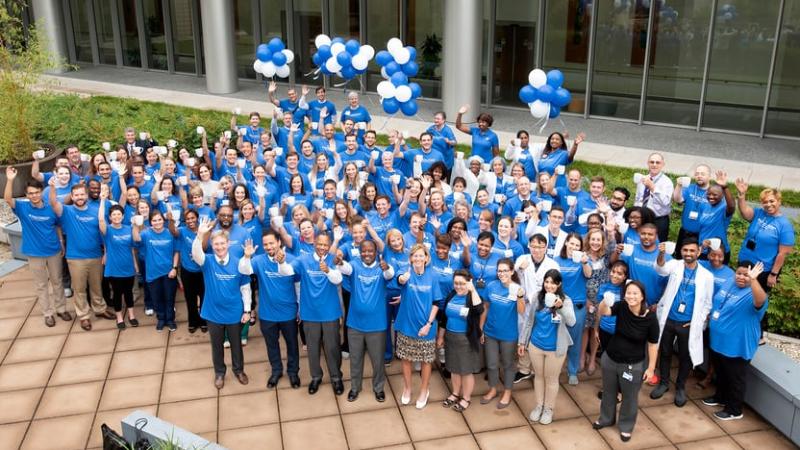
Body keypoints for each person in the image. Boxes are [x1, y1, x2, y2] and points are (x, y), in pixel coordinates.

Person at [593, 280, 659, 443]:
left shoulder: (650, 318)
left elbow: (652, 344)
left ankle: (626, 426)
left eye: (635, 293)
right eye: (628, 292)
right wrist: (604, 301)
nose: (631, 296)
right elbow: (604, 312)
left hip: (633, 365)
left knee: (629, 398)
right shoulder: (622, 306)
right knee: (608, 392)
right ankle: (606, 418)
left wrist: (650, 368)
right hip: (610, 359)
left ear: (642, 296)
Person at [650, 237, 713, 407]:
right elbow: (660, 268)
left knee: (685, 357)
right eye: (685, 250)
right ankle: (663, 383)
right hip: (669, 319)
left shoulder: (707, 276)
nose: (688, 254)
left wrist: (697, 323)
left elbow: (707, 303)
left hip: (687, 323)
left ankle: (680, 387)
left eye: (692, 251)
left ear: (699, 252)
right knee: (665, 352)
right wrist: (661, 253)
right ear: (681, 251)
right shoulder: (675, 265)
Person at [4, 167, 70, 327]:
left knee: (57, 281)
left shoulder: (51, 208)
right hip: (34, 253)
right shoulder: (23, 208)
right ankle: (48, 313)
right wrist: (10, 180)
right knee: (41, 285)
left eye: (36, 192)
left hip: (53, 250)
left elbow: (57, 227)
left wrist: (61, 243)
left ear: (41, 192)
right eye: (30, 193)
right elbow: (8, 199)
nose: (34, 195)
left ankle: (61, 309)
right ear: (26, 195)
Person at [281, 233, 345, 395]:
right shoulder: (303, 260)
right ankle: (316, 377)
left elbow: (338, 279)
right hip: (310, 313)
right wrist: (281, 262)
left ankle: (336, 377)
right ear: (314, 243)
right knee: (313, 348)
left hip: (330, 312)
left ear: (329, 245)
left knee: (332, 348)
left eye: (325, 245)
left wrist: (328, 270)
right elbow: (287, 271)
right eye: (320, 244)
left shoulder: (333, 259)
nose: (322, 247)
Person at [192, 218, 252, 389]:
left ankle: (239, 370)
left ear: (228, 244)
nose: (219, 247)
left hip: (234, 312)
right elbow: (196, 254)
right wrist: (200, 235)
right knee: (216, 345)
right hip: (212, 312)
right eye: (216, 244)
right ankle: (219, 373)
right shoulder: (208, 261)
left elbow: (246, 289)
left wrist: (247, 310)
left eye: (222, 244)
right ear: (212, 245)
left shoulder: (239, 263)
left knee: (236, 344)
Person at [705, 261, 768, 421]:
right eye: (738, 273)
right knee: (721, 372)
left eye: (745, 274)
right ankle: (720, 397)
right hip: (719, 341)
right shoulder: (729, 283)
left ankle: (734, 410)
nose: (741, 277)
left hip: (737, 345)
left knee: (735, 378)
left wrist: (753, 280)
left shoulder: (754, 293)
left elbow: (761, 300)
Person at [49, 180, 114, 331]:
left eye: (82, 194)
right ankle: (84, 316)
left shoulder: (95, 209)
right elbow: (53, 203)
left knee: (97, 286)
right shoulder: (67, 211)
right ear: (72, 196)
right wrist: (52, 187)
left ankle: (99, 309)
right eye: (76, 195)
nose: (79, 197)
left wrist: (106, 252)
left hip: (96, 255)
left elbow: (103, 231)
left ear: (86, 195)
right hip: (75, 258)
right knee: (79, 289)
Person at [239, 231, 301, 389]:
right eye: (265, 244)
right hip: (267, 314)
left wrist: (300, 308)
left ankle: (293, 372)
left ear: (279, 242)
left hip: (289, 313)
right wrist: (247, 256)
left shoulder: (293, 259)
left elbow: (298, 286)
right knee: (271, 345)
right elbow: (244, 271)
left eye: (271, 243)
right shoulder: (259, 260)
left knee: (292, 344)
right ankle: (276, 371)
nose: (268, 247)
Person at [336, 240, 394, 402]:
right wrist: (339, 262)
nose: (367, 254)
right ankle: (355, 388)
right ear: (359, 252)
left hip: (377, 325)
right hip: (355, 324)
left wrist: (387, 268)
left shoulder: (383, 267)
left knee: (377, 360)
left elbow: (390, 274)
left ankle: (378, 388)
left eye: (370, 251)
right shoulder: (354, 265)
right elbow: (344, 267)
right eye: (364, 251)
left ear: (376, 252)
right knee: (355, 359)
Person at [518, 269, 576, 425]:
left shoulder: (566, 300)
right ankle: (539, 405)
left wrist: (561, 307)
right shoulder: (538, 296)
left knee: (551, 379)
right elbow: (529, 321)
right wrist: (522, 341)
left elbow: (572, 322)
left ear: (559, 284)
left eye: (552, 282)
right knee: (538, 376)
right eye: (546, 281)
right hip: (536, 344)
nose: (549, 285)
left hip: (555, 349)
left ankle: (548, 408)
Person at [395, 244, 443, 409]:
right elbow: (399, 279)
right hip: (406, 325)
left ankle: (424, 390)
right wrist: (402, 279)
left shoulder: (433, 276)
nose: (418, 259)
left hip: (425, 327)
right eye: (414, 256)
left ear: (426, 258)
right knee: (406, 359)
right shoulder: (406, 274)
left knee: (426, 360)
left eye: (421, 256)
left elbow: (437, 302)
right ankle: (407, 389)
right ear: (410, 258)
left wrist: (428, 324)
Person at [513, 233, 559, 384]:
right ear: (529, 246)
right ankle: (523, 369)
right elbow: (514, 280)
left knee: (539, 335)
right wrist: (520, 269)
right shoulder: (522, 260)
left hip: (544, 306)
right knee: (523, 333)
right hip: (525, 304)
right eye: (533, 246)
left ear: (546, 248)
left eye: (540, 246)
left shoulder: (552, 264)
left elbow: (556, 286)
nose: (536, 250)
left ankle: (538, 371)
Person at [734, 180, 795, 292]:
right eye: (765, 202)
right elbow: (744, 212)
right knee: (740, 293)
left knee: (755, 297)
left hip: (762, 270)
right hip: (744, 263)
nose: (768, 204)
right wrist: (742, 195)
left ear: (779, 201)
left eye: (772, 201)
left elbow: (782, 254)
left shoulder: (785, 225)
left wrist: (773, 274)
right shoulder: (759, 213)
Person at [481, 258, 525, 408]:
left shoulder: (516, 288)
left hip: (509, 335)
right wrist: (481, 328)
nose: (502, 273)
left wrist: (520, 297)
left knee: (508, 365)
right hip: (490, 332)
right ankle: (493, 389)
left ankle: (507, 391)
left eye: (505, 270)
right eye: (499, 270)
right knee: (492, 364)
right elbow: (486, 307)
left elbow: (521, 311)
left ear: (512, 271)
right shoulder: (492, 286)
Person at [438, 269, 484, 412]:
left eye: (462, 284)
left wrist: (473, 289)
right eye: (456, 283)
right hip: (450, 337)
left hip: (466, 339)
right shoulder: (452, 295)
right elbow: (444, 319)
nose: (458, 286)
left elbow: (479, 310)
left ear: (469, 283)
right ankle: (455, 393)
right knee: (453, 368)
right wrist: (440, 336)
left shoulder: (472, 297)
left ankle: (466, 398)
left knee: (465, 370)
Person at [132, 210, 179, 332]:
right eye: (154, 220)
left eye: (159, 220)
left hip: (169, 272)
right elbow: (136, 238)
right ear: (150, 222)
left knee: (169, 298)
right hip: (152, 273)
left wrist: (174, 268)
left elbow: (176, 252)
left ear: (163, 220)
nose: (157, 222)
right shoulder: (146, 234)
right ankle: (161, 319)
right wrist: (136, 225)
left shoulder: (170, 233)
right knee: (156, 299)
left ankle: (170, 320)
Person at [554, 232, 592, 385]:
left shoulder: (583, 262)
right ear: (566, 243)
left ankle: (572, 371)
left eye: (577, 245)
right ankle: (554, 370)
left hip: (577, 306)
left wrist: (584, 262)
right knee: (556, 339)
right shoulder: (556, 261)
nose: (574, 247)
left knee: (575, 341)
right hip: (558, 306)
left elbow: (588, 275)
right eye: (572, 243)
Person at [97, 190, 138, 328]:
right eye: (113, 214)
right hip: (114, 268)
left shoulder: (129, 229)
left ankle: (131, 315)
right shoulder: (107, 230)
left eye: (119, 214)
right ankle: (119, 317)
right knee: (117, 293)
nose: (116, 216)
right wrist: (103, 200)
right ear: (110, 217)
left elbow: (132, 248)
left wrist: (135, 265)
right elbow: (100, 220)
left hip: (128, 267)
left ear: (123, 216)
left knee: (128, 292)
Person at [634, 153, 673, 242]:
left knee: (658, 246)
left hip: (658, 220)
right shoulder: (643, 179)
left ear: (663, 164)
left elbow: (666, 202)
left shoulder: (667, 182)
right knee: (641, 242)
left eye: (657, 162)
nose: (654, 165)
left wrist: (653, 187)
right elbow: (638, 198)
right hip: (643, 218)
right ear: (648, 163)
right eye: (652, 162)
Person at [672, 164, 711, 253]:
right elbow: (677, 199)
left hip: (702, 235)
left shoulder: (713, 192)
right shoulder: (689, 188)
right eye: (697, 174)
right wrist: (679, 186)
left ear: (709, 176)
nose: (699, 176)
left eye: (702, 174)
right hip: (685, 232)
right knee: (679, 257)